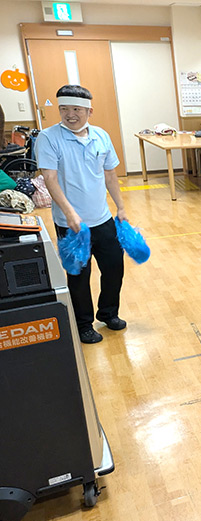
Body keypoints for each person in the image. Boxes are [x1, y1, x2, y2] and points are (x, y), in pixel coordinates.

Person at [35, 85, 127, 344]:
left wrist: (120, 207)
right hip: (71, 223)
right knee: (78, 275)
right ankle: (83, 323)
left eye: (76, 109)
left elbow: (110, 174)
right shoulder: (48, 138)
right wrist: (70, 214)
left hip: (103, 219)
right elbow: (50, 178)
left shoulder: (101, 136)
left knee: (114, 268)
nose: (70, 114)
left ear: (89, 111)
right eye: (64, 109)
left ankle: (108, 313)